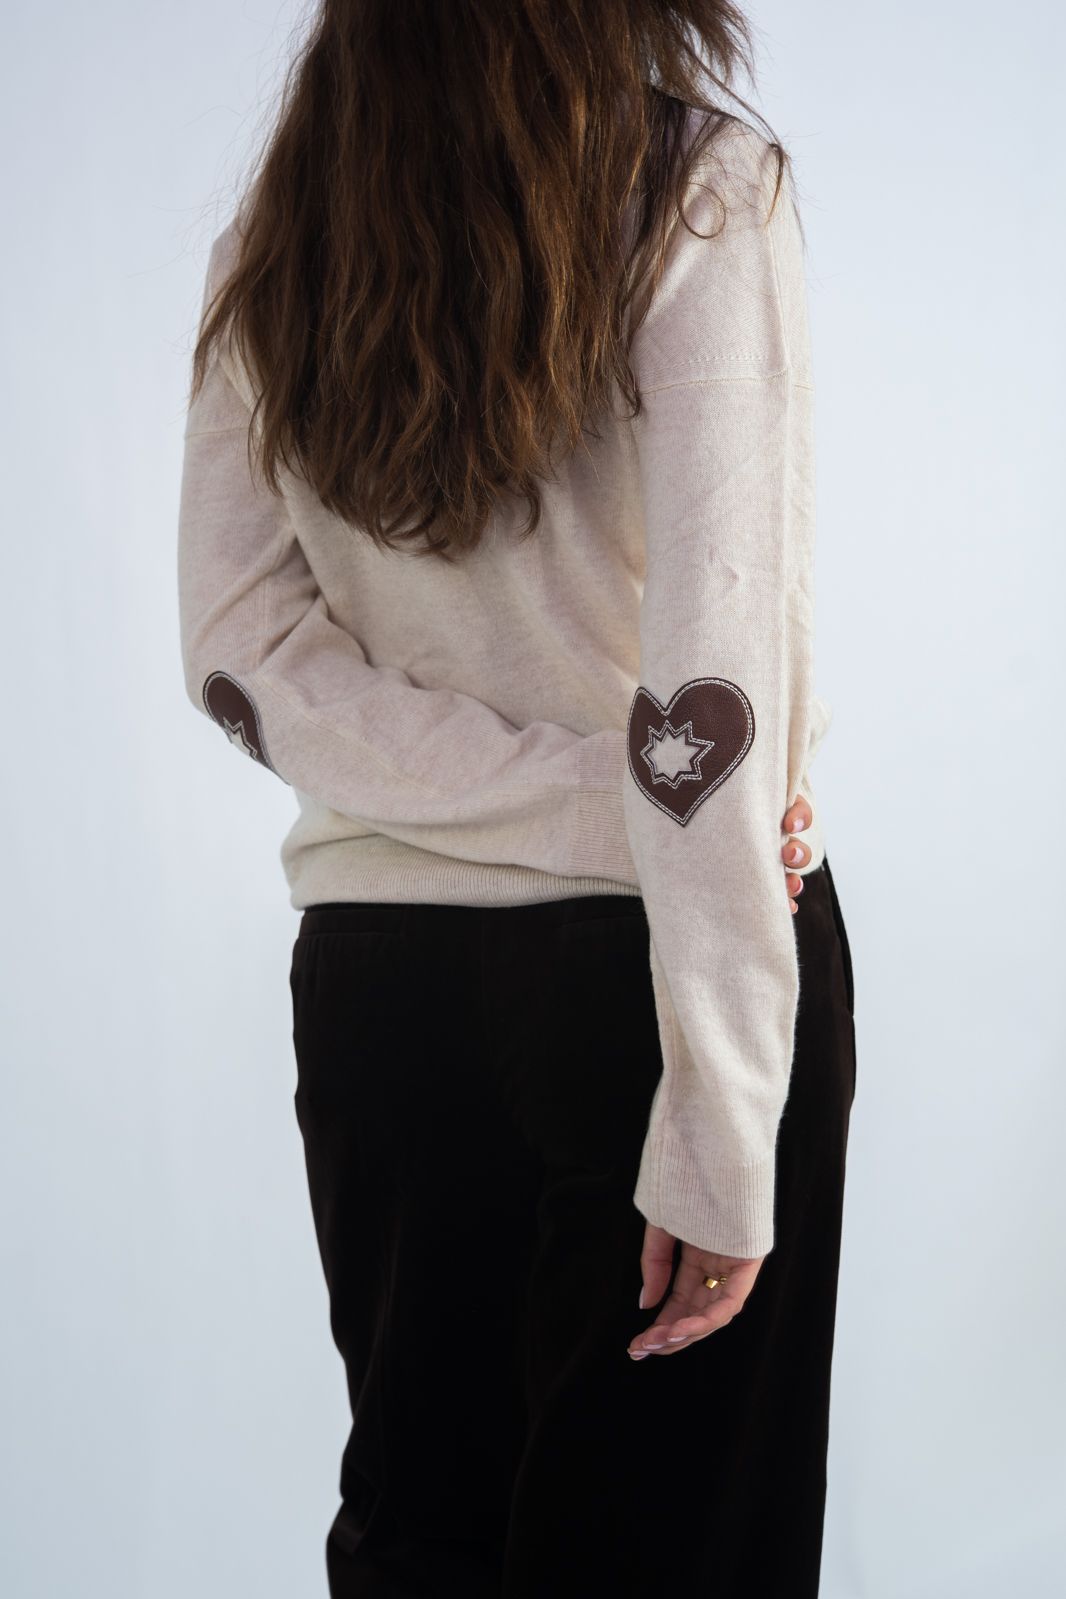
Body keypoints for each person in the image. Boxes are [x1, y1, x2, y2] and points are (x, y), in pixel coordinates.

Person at [176, 3, 857, 1593]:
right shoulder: (698, 193)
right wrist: (719, 1121)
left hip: (383, 990)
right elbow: (711, 688)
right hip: (660, 964)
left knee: (423, 1545)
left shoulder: (276, 246)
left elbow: (239, 657)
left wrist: (592, 805)